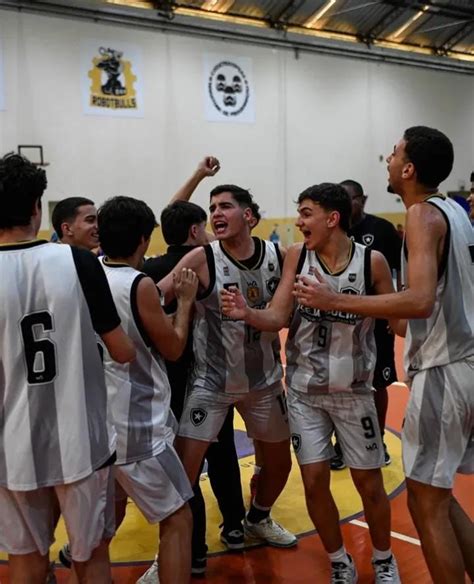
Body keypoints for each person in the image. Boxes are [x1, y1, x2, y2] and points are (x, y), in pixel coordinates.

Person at [291, 127, 474, 584]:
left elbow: (420, 301)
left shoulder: (421, 215)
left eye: (394, 154)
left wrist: (335, 301)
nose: (387, 160)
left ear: (409, 169)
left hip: (444, 369)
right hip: (465, 364)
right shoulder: (457, 210)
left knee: (425, 503)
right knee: (439, 493)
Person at [221, 182, 400, 583]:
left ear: (331, 218)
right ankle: (339, 560)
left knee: (368, 483)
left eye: (305, 213)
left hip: (354, 392)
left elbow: (400, 320)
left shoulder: (372, 263)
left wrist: (339, 302)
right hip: (304, 392)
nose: (298, 222)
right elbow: (278, 316)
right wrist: (248, 312)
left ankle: (385, 559)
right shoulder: (296, 257)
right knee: (315, 480)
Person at [0, 153, 135, 584]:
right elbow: (122, 351)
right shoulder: (78, 263)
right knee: (90, 557)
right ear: (38, 207)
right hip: (81, 439)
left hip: (12, 442)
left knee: (25, 559)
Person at [157, 184, 297, 554]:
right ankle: (169, 552)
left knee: (280, 465)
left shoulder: (277, 255)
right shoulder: (200, 259)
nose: (217, 214)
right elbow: (154, 297)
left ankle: (258, 518)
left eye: (226, 207)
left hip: (265, 382)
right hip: (211, 383)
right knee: (184, 472)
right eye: (213, 208)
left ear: (248, 216)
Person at [142, 201, 246, 578]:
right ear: (194, 231)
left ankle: (195, 549)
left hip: (171, 382)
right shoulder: (212, 261)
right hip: (211, 377)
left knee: (185, 466)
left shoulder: (150, 271)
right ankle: (235, 525)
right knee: (220, 456)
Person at [97, 196, 197, 584]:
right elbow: (172, 348)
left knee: (103, 526)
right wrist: (185, 303)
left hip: (96, 424)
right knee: (177, 518)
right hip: (136, 425)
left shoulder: (86, 273)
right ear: (143, 239)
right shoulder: (138, 285)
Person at [329, 179, 401, 469]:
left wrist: (394, 311)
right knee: (338, 381)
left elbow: (402, 272)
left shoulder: (382, 230)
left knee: (378, 382)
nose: (346, 207)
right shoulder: (333, 232)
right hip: (341, 324)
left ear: (363, 199)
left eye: (350, 200)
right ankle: (340, 444)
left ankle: (378, 439)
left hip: (378, 320)